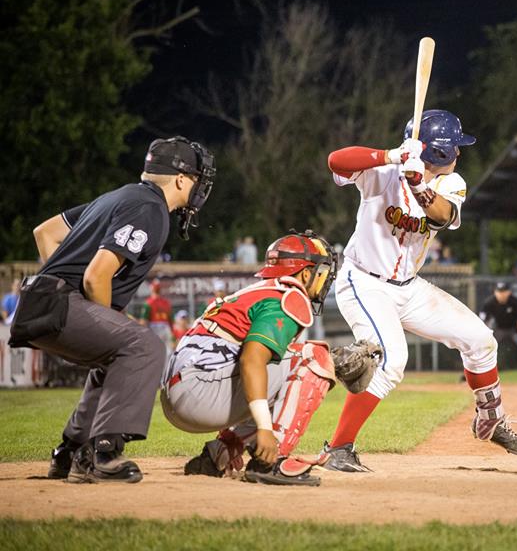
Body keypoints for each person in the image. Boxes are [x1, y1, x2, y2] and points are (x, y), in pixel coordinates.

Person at [321, 109, 517, 472]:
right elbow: (336, 161)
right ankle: (339, 448)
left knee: (481, 340)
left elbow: (443, 215)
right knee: (389, 362)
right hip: (364, 282)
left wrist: (419, 183)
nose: (459, 153)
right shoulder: (383, 172)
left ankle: (490, 420)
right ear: (437, 151)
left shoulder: (451, 183)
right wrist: (390, 156)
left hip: (410, 286)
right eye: (454, 147)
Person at [10, 136, 215, 483]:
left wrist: (64, 284)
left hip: (42, 300)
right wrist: (91, 305)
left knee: (119, 354)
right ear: (182, 179)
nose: (198, 188)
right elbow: (96, 275)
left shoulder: (118, 196)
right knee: (144, 346)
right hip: (57, 302)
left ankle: (70, 452)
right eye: (197, 179)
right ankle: (105, 452)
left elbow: (45, 232)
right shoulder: (150, 208)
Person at [161, 231, 370, 486]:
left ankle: (219, 453)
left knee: (282, 369)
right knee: (314, 357)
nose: (324, 279)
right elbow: (251, 361)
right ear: (305, 273)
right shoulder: (287, 297)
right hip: (198, 392)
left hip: (181, 392)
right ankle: (274, 461)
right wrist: (264, 429)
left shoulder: (257, 291)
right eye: (321, 271)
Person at [139, 279, 174, 358]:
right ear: (160, 290)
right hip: (165, 327)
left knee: (155, 352)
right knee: (168, 352)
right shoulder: (166, 302)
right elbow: (171, 321)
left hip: (154, 327)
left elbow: (143, 321)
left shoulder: (149, 302)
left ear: (152, 289)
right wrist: (172, 334)